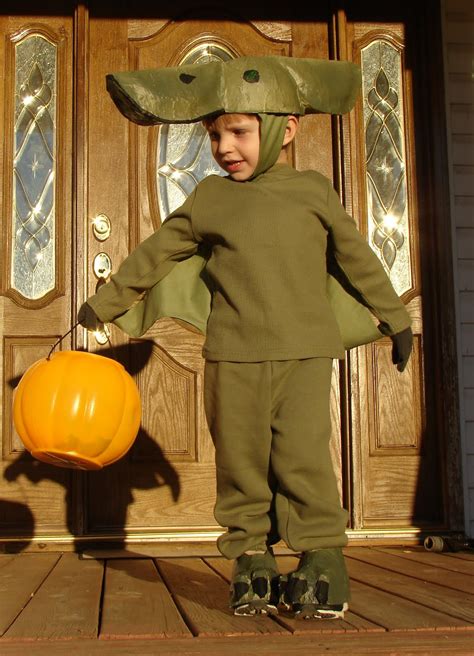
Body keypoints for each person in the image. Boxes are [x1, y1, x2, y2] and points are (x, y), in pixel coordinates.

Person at [78, 56, 413, 619]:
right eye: (213, 133)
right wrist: (102, 305)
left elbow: (359, 260)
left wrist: (396, 319)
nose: (224, 146)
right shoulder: (211, 199)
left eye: (238, 130)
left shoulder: (314, 192)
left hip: (306, 354)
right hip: (232, 357)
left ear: (287, 126)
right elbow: (153, 256)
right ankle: (252, 561)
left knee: (303, 456)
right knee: (240, 462)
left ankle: (321, 558)